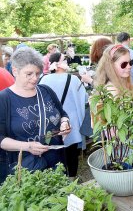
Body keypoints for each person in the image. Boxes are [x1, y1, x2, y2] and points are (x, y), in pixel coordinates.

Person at [0, 47, 71, 183]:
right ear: (15, 71)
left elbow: (62, 113)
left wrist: (64, 123)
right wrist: (27, 146)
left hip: (56, 162)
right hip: (26, 168)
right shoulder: (4, 99)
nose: (35, 79)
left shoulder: (46, 91)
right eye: (29, 74)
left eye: (38, 74)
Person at [39, 52, 86, 179]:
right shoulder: (73, 79)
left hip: (51, 122)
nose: (67, 62)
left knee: (53, 152)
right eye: (64, 60)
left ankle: (56, 180)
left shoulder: (44, 79)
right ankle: (72, 178)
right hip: (71, 121)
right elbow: (83, 99)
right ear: (57, 64)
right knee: (72, 154)